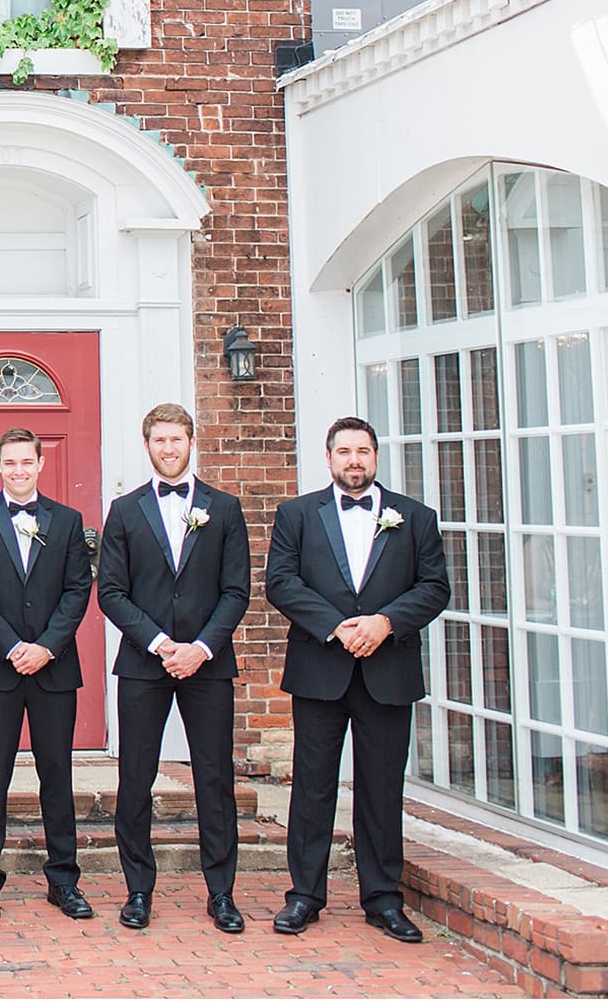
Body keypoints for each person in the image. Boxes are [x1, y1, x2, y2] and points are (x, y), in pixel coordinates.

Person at [265, 416, 450, 943]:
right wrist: (336, 627)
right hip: (320, 669)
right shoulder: (297, 514)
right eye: (343, 451)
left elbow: (435, 587)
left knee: (381, 789)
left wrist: (385, 622)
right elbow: (281, 581)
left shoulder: (414, 517)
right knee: (313, 788)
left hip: (387, 671)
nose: (353, 460)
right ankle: (304, 895)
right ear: (328, 458)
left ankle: (383, 899)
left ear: (375, 456)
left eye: (363, 451)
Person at [96, 403, 251, 934]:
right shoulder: (124, 510)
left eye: (177, 439)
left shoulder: (224, 508)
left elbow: (236, 590)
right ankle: (138, 889)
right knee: (135, 777)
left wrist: (201, 647)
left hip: (208, 664)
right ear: (147, 446)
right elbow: (111, 592)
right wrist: (161, 643)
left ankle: (222, 892)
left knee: (215, 777)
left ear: (191, 441)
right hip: (144, 664)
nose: (169, 448)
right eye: (159, 440)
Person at [0, 427, 94, 922]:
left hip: (54, 668)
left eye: (26, 463)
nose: (18, 471)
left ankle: (64, 879)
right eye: (9, 463)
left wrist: (46, 647)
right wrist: (13, 647)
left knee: (57, 774)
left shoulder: (68, 520)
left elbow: (78, 590)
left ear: (40, 464)